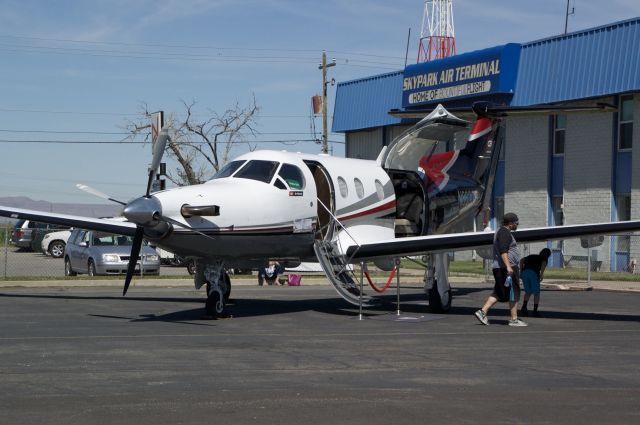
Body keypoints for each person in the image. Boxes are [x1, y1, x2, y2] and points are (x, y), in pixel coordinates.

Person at [474, 212, 527, 327]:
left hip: (501, 268)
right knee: (514, 292)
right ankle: (514, 319)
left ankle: (482, 312)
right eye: (516, 223)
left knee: (499, 292)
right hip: (506, 268)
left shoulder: (502, 232)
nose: (517, 225)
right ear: (511, 223)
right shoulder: (504, 233)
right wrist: (508, 266)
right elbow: (503, 251)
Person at [520, 248, 551, 317]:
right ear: (548, 255)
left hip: (525, 273)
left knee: (528, 291)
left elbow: (521, 260)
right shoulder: (544, 259)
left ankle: (524, 307)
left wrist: (521, 271)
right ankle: (535, 311)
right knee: (536, 293)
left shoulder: (532, 256)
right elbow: (543, 265)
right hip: (533, 273)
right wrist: (541, 275)